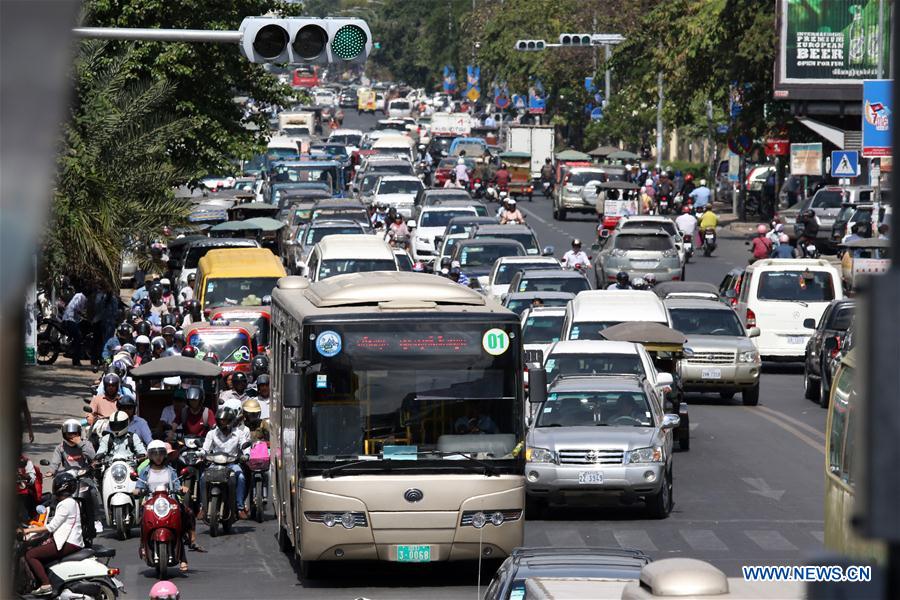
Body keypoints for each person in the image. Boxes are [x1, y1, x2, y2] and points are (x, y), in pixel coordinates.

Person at [22, 472, 85, 596]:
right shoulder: (71, 502)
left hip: (68, 542)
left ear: (60, 487)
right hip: (71, 541)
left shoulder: (65, 504)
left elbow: (51, 527)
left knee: (30, 554)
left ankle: (45, 584)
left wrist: (28, 530)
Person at [133, 440, 192, 572]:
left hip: (169, 502)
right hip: (150, 503)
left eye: (160, 454)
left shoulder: (170, 470)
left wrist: (181, 488)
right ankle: (143, 545)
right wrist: (137, 491)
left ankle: (185, 553)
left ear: (165, 455)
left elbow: (177, 485)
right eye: (154, 454)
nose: (158, 457)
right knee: (142, 521)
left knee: (182, 521)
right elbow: (139, 486)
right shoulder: (145, 471)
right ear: (150, 455)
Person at [200, 407, 249, 520]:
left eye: (225, 420)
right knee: (203, 477)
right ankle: (203, 507)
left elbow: (244, 446)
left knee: (241, 477)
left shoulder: (239, 434)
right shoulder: (211, 434)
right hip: (215, 464)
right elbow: (205, 449)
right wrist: (201, 453)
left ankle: (240, 507)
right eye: (221, 420)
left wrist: (246, 455)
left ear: (231, 421)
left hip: (232, 464)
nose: (223, 423)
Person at [62, 289, 88, 366]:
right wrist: (84, 315)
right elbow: (77, 308)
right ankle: (75, 360)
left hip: (68, 318)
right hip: (70, 319)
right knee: (78, 338)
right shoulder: (82, 297)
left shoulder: (78, 295)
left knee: (77, 336)